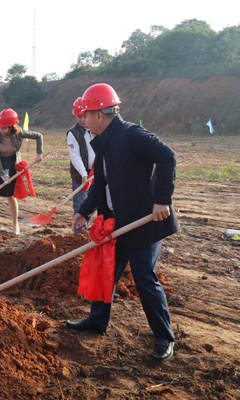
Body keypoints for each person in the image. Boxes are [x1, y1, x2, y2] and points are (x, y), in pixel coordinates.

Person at [66, 83, 179, 362]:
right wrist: (85, 210)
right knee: (107, 273)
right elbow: (100, 183)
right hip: (118, 223)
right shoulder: (103, 141)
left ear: (100, 116)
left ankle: (164, 337)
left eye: (87, 116)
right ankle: (97, 321)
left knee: (144, 278)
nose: (84, 121)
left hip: (143, 223)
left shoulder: (131, 135)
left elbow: (167, 156)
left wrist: (161, 200)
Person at [0, 108, 44, 237]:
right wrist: (2, 174)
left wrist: (39, 154)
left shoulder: (19, 133)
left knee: (11, 195)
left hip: (12, 163)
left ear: (11, 127)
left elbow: (39, 136)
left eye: (4, 128)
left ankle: (15, 224)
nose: (1, 130)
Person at [67, 97, 95, 231]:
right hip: (81, 176)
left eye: (85, 116)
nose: (83, 120)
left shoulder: (99, 128)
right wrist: (84, 174)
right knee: (81, 207)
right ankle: (79, 238)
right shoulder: (73, 133)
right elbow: (75, 156)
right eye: (79, 117)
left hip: (99, 174)